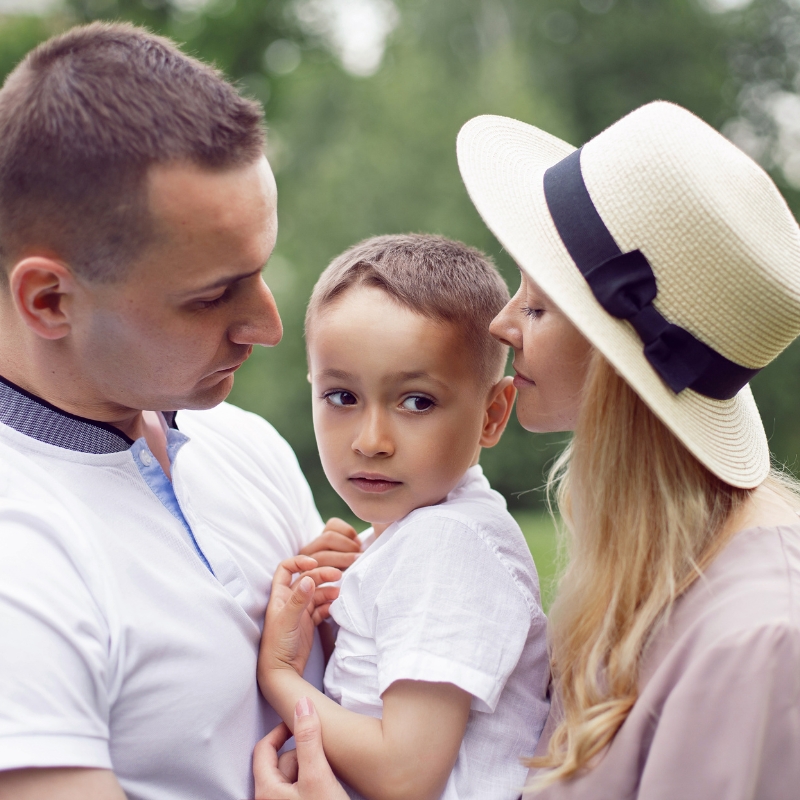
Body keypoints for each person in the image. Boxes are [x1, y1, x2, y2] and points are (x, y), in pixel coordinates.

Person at [254, 101, 800, 799]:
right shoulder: (644, 559)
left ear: (617, 358)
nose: (504, 323)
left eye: (538, 305)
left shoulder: (759, 642)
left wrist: (284, 682)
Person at [0, 22, 357, 800]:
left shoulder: (245, 444)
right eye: (210, 296)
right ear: (49, 299)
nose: (268, 326)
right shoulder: (16, 565)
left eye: (259, 272)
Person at [258, 234, 551, 800]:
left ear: (492, 415)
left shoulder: (447, 545)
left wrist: (280, 676)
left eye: (416, 401)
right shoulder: (415, 538)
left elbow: (406, 775)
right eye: (342, 397)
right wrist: (335, 612)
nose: (371, 441)